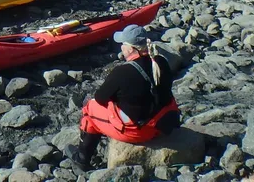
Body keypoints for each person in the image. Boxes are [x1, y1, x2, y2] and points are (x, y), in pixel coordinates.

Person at [65, 23, 180, 170]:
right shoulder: (160, 61)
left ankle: (82, 158)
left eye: (123, 45)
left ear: (131, 49)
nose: (121, 48)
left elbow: (100, 98)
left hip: (141, 131)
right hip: (163, 122)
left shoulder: (122, 72)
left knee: (90, 109)